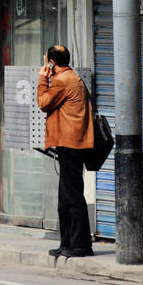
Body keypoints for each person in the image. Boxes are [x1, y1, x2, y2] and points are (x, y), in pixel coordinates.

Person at [37, 44, 95, 260]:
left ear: (51, 63)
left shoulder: (61, 80)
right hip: (72, 143)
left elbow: (43, 103)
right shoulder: (72, 77)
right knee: (66, 197)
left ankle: (79, 245)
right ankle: (68, 243)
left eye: (46, 61)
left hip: (71, 145)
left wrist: (43, 79)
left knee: (72, 196)